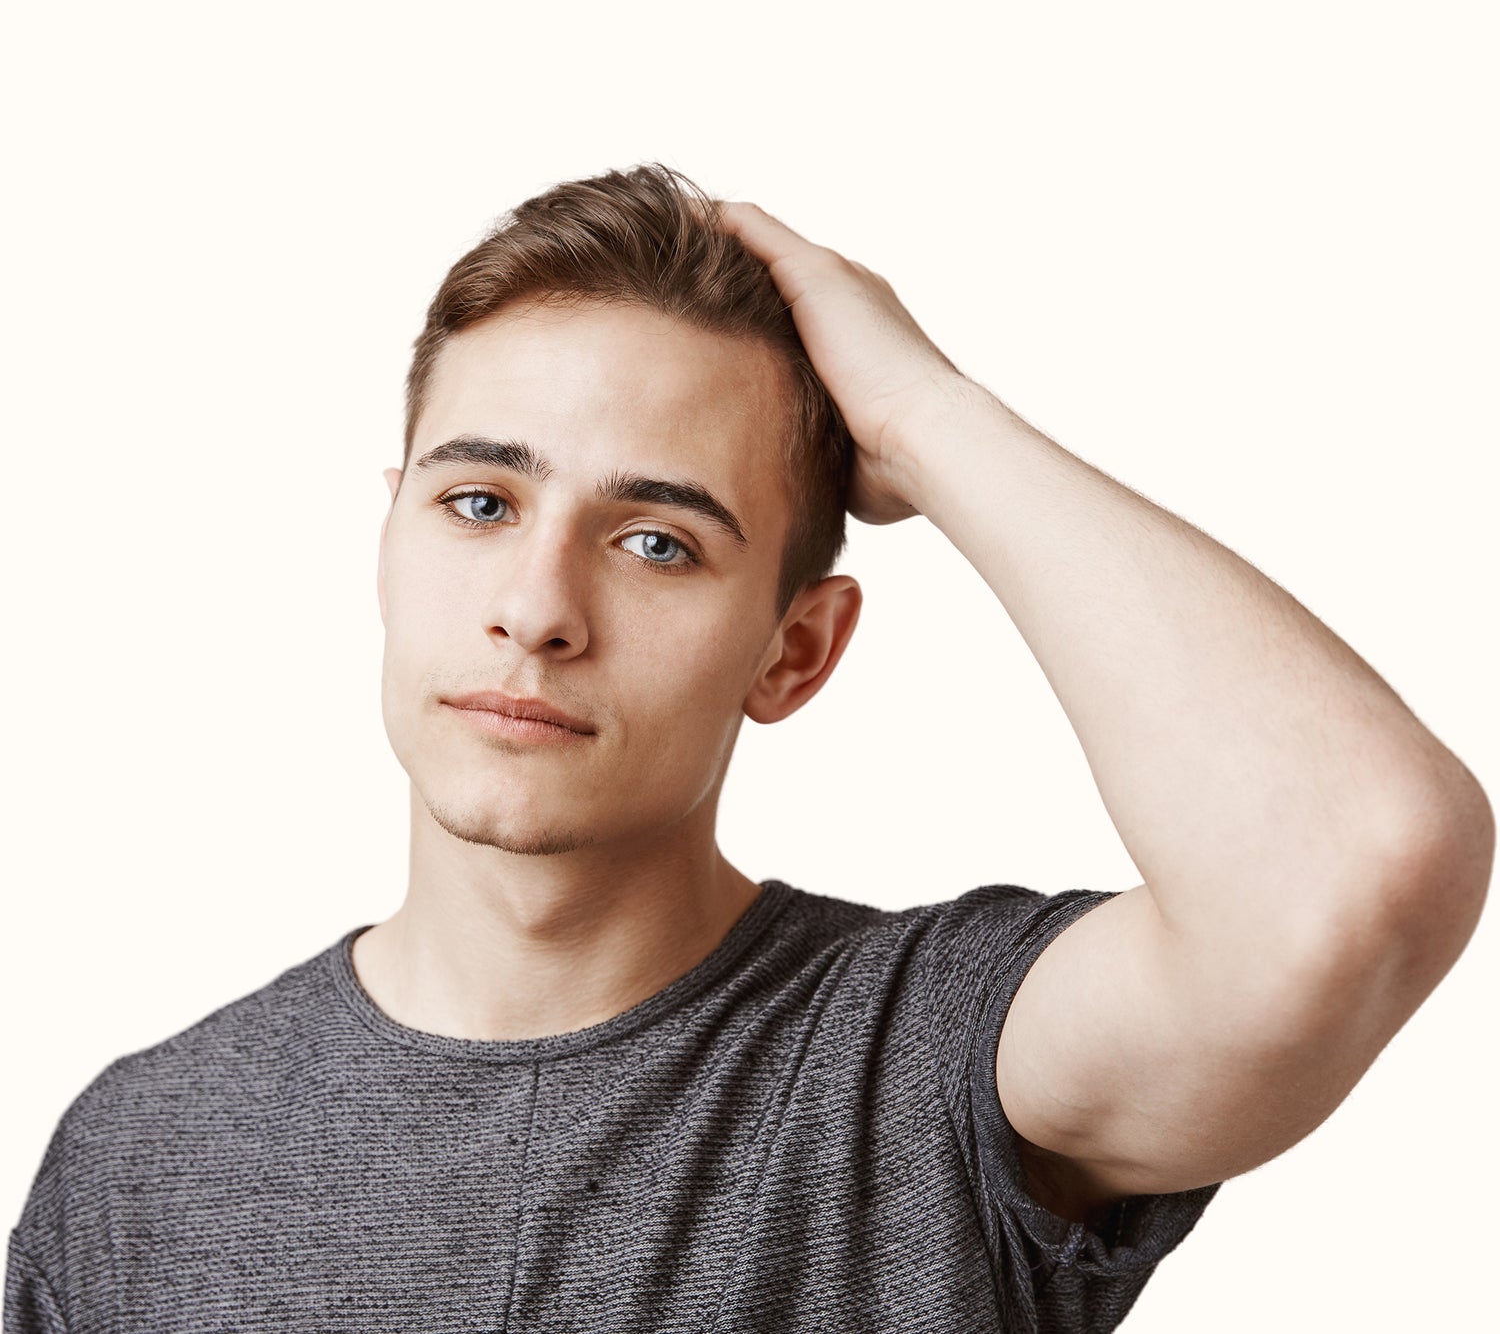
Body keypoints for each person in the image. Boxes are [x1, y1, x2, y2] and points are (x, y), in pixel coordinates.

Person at [5, 164, 1491, 1334]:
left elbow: (1359, 866)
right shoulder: (145, 1154)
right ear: (385, 540)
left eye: (656, 541)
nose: (536, 609)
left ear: (796, 649)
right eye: (477, 505)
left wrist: (925, 414)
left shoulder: (926, 1064)